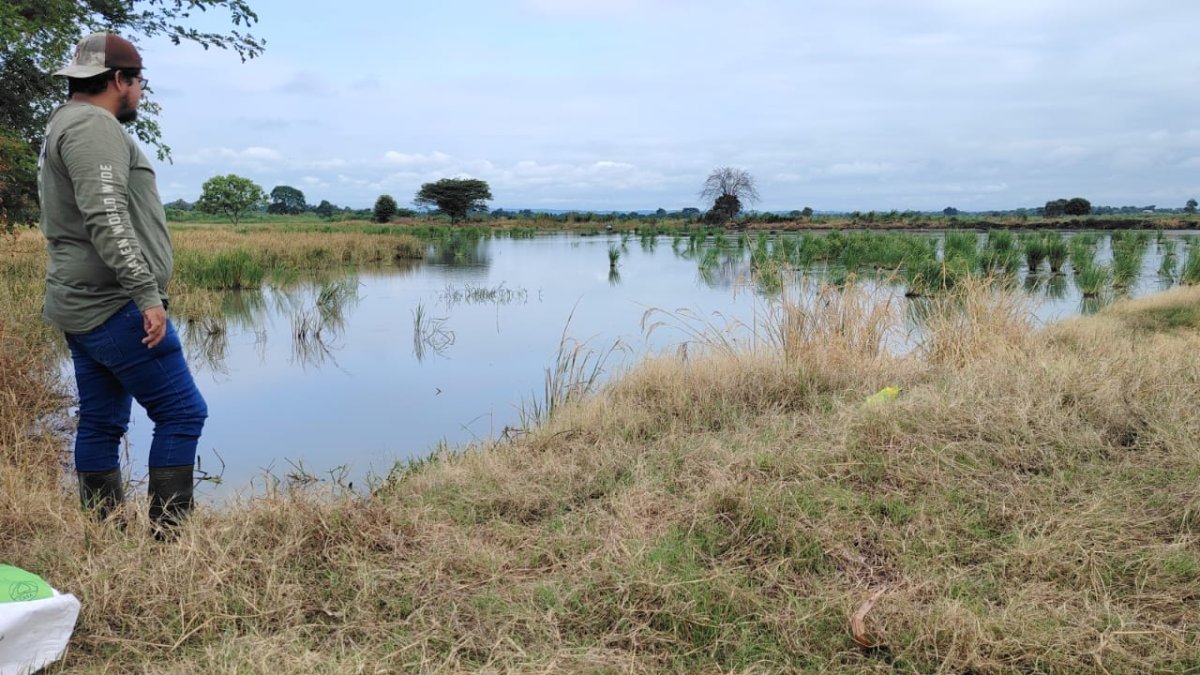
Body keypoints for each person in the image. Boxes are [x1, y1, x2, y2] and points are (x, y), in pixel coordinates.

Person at [38, 32, 207, 535]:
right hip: (113, 303)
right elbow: (107, 217)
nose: (141, 93)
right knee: (182, 411)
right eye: (139, 82)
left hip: (83, 300)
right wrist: (146, 294)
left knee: (102, 420)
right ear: (119, 79)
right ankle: (169, 539)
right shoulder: (93, 125)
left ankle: (103, 533)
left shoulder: (64, 123)